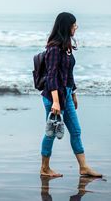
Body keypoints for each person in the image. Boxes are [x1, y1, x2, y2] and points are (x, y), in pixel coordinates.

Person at [40, 12, 102, 178]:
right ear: (66, 26)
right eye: (74, 24)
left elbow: (68, 73)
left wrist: (73, 92)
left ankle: (83, 167)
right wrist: (55, 102)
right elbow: (52, 76)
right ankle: (44, 168)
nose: (76, 26)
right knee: (51, 132)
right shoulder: (53, 48)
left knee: (76, 131)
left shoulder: (66, 47)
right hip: (54, 97)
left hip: (65, 95)